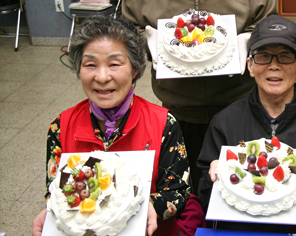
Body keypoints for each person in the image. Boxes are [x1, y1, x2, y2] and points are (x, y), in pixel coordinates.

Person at [121, 0, 277, 192]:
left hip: (240, 111)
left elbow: (273, 40)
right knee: (187, 193)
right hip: (178, 115)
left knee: (242, 188)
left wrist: (250, 44)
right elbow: (122, 43)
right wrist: (146, 42)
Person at [31, 16, 203, 236]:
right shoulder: (60, 127)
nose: (102, 77)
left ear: (134, 70)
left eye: (114, 64)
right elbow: (56, 191)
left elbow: (179, 192)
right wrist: (51, 211)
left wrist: (149, 207)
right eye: (90, 64)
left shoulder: (164, 123)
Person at [196, 15, 296, 236]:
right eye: (263, 56)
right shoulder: (225, 122)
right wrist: (212, 178)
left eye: (285, 56)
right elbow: (203, 197)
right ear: (250, 66)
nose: (274, 66)